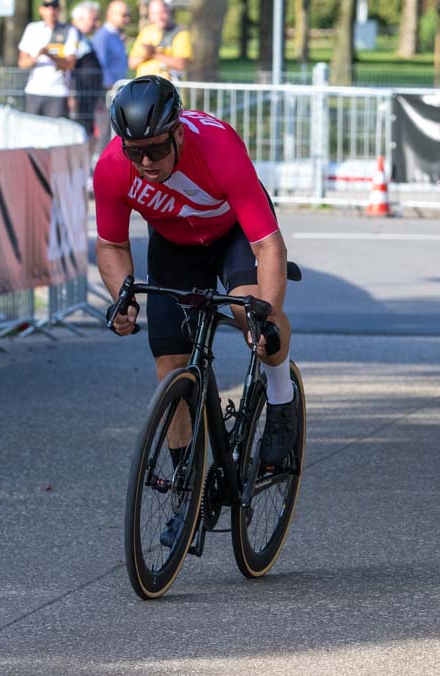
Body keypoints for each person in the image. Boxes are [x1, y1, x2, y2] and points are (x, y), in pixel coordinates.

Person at [96, 77, 301, 548]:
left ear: (179, 134)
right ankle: (186, 497)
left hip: (232, 236)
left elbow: (267, 245)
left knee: (255, 315)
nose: (145, 162)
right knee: (170, 365)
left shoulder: (219, 147)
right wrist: (122, 300)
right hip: (175, 244)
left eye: (155, 149)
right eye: (135, 152)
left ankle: (280, 396)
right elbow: (111, 244)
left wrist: (265, 313)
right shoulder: (112, 166)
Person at [18, 0, 81, 119]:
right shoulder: (32, 29)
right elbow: (22, 63)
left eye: (54, 6)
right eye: (47, 5)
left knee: (56, 133)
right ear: (41, 9)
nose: (51, 9)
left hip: (58, 92)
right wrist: (37, 57)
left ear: (59, 9)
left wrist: (50, 55)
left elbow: (70, 64)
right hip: (34, 91)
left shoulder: (69, 31)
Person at [70, 2, 106, 139]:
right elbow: (70, 68)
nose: (97, 24)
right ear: (80, 19)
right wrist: (71, 95)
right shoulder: (71, 36)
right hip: (79, 95)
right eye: (94, 20)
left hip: (89, 96)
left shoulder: (85, 38)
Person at [132, 0, 191, 79]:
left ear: (169, 11)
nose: (159, 17)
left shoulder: (180, 32)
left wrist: (154, 54)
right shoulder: (146, 32)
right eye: (155, 13)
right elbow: (132, 62)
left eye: (162, 12)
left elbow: (182, 63)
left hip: (166, 87)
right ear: (149, 15)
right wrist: (145, 56)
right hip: (142, 85)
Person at [92, 0, 131, 87]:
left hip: (118, 89)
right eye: (124, 15)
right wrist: (110, 88)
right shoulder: (102, 37)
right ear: (111, 14)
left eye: (128, 15)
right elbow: (101, 66)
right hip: (109, 93)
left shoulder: (117, 35)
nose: (127, 19)